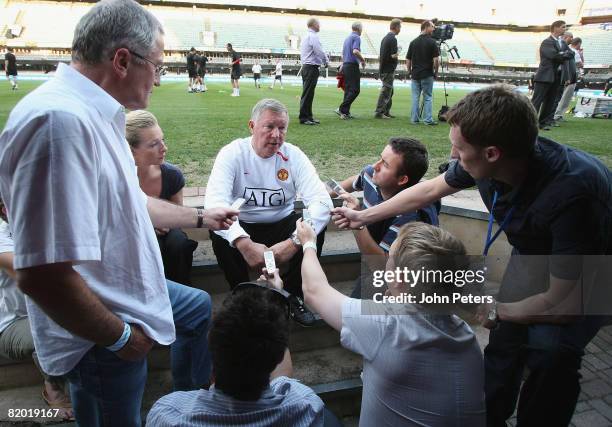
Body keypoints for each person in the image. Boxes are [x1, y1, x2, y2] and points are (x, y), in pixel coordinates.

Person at [0, 1, 238, 425]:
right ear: (123, 60)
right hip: (102, 331)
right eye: (158, 67)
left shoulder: (97, 115)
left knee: (196, 307)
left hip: (124, 303)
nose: (160, 80)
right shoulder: (59, 123)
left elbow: (132, 203)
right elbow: (40, 272)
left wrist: (202, 219)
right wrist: (121, 338)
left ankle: (184, 404)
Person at [331, 85, 612, 426]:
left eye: (459, 149)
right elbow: (431, 188)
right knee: (504, 345)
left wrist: (498, 308)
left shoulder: (574, 193)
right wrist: (364, 216)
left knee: (552, 353)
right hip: (534, 251)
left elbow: (562, 303)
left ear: (492, 153)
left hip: (593, 266)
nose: (452, 154)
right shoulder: (488, 156)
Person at [296, 219, 486, 426]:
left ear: (399, 278)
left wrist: (308, 243)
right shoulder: (464, 332)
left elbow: (314, 291)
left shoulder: (385, 324)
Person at [147, 269, 342, 427]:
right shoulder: (305, 407)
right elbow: (283, 377)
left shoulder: (167, 415)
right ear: (276, 357)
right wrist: (276, 294)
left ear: (210, 347)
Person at [205, 98, 332, 327]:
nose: (276, 135)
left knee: (312, 229)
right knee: (220, 229)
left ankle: (292, 296)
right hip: (244, 224)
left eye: (282, 128)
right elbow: (214, 203)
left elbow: (322, 202)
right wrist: (243, 242)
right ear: (252, 126)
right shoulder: (232, 153)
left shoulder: (293, 156)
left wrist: (294, 242)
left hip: (282, 224)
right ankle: (240, 292)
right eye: (269, 126)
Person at [331, 137, 439, 298]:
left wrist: (357, 224)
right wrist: (327, 193)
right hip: (377, 258)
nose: (375, 166)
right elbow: (356, 180)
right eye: (380, 158)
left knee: (355, 314)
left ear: (402, 179)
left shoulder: (410, 216)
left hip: (405, 279)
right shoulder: (372, 175)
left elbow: (381, 268)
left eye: (385, 165)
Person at [0, 197, 73, 421]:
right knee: (44, 333)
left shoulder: (49, 229)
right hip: (13, 323)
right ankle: (52, 387)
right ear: (5, 209)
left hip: (51, 312)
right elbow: (30, 277)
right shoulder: (3, 240)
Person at [126, 110, 198, 285]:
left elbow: (178, 216)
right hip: (132, 232)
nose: (164, 148)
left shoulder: (172, 175)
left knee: (178, 242)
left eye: (162, 140)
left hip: (168, 232)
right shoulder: (119, 178)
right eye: (153, 144)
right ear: (131, 150)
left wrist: (166, 222)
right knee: (148, 245)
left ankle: (181, 291)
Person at [531, 20, 574, 130]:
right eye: (563, 27)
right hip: (544, 76)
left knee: (550, 101)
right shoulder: (547, 42)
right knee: (537, 100)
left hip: (556, 76)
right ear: (555, 28)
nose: (565, 29)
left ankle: (542, 123)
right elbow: (554, 56)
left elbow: (571, 53)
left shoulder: (562, 42)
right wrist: (562, 54)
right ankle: (530, 123)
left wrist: (561, 54)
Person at [406, 20, 440, 125]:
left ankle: (414, 119)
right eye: (432, 27)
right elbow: (436, 60)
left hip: (415, 74)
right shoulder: (432, 42)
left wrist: (409, 71)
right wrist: (436, 72)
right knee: (428, 97)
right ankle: (427, 119)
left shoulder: (413, 42)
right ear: (426, 27)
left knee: (415, 97)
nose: (434, 29)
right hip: (427, 74)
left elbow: (408, 60)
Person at [299, 18, 329, 125]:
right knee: (308, 93)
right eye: (318, 24)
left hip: (307, 67)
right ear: (314, 24)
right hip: (311, 67)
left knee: (308, 93)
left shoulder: (306, 36)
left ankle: (308, 116)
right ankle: (304, 117)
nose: (319, 26)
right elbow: (319, 51)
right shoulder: (313, 36)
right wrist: (326, 61)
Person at [335, 22, 366, 120]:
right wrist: (362, 60)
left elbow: (343, 54)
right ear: (359, 29)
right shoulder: (356, 37)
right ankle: (342, 109)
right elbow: (355, 51)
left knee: (348, 90)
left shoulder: (347, 38)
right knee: (355, 90)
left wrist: (343, 64)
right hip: (352, 66)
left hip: (346, 65)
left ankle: (345, 113)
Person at [374, 18, 401, 119]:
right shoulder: (392, 39)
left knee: (390, 91)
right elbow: (392, 55)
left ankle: (385, 111)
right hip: (388, 70)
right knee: (386, 91)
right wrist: (398, 52)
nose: (400, 29)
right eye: (400, 27)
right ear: (396, 27)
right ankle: (379, 112)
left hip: (384, 68)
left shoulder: (385, 38)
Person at [553, 36, 582, 122]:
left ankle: (555, 114)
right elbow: (580, 64)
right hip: (571, 77)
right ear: (579, 44)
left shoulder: (566, 50)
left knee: (559, 97)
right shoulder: (574, 52)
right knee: (565, 97)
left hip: (565, 76)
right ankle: (558, 115)